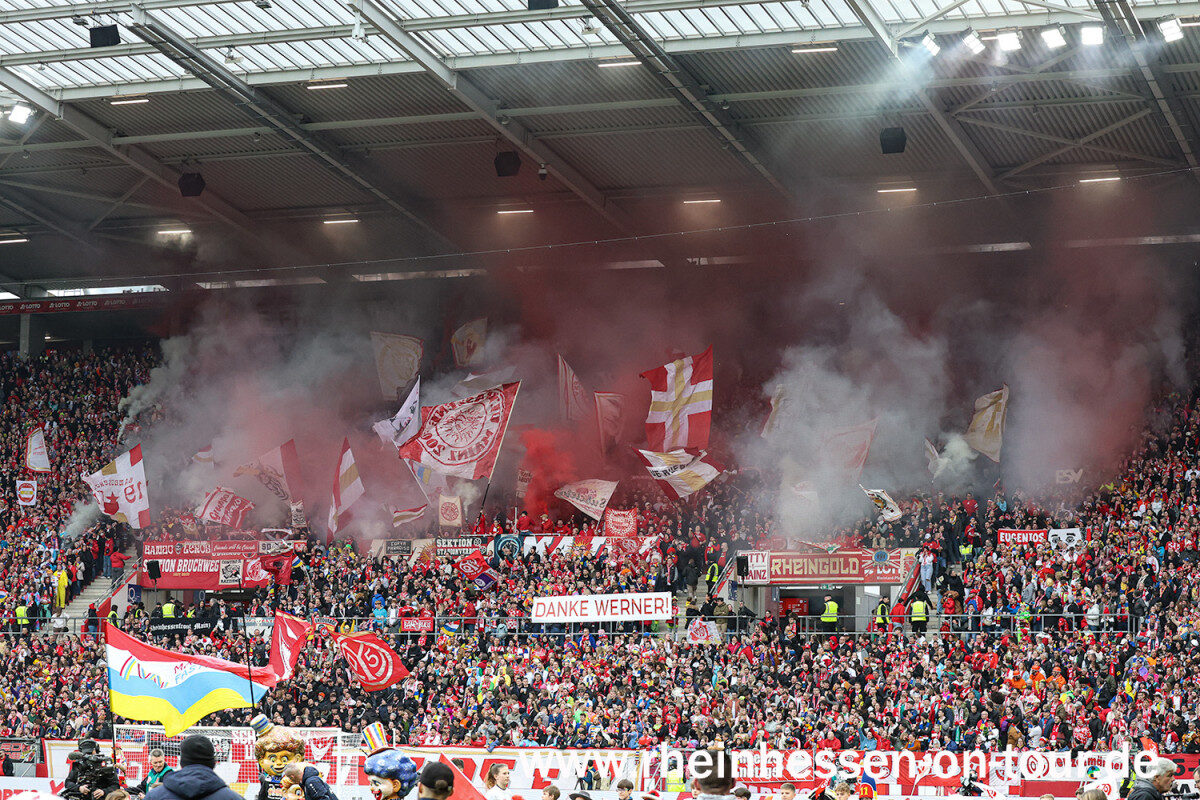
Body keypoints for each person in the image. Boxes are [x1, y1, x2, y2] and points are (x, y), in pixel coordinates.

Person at [146, 735, 242, 800]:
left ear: (182, 763)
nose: (158, 765)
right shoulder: (232, 797)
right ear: (213, 763)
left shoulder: (155, 796)